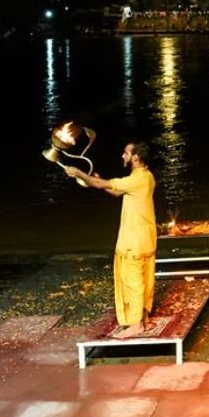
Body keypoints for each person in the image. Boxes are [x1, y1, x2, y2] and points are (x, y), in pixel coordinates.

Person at [65, 143, 158, 337]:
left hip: (133, 243)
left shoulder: (136, 180)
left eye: (126, 153)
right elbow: (115, 190)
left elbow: (102, 185)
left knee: (133, 283)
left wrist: (79, 173)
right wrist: (98, 180)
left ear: (135, 158)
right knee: (145, 280)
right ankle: (145, 319)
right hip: (147, 240)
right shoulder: (146, 177)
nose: (122, 155)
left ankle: (136, 324)